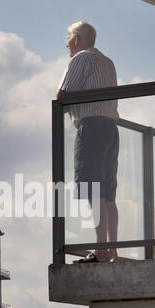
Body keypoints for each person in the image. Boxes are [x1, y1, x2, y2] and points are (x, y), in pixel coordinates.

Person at [56, 21, 119, 261]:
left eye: (69, 38)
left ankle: (101, 249)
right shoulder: (108, 62)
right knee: (108, 192)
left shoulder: (81, 58)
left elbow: (64, 93)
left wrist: (60, 102)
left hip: (90, 126)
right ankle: (112, 249)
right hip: (111, 128)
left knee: (93, 190)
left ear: (76, 39)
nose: (67, 44)